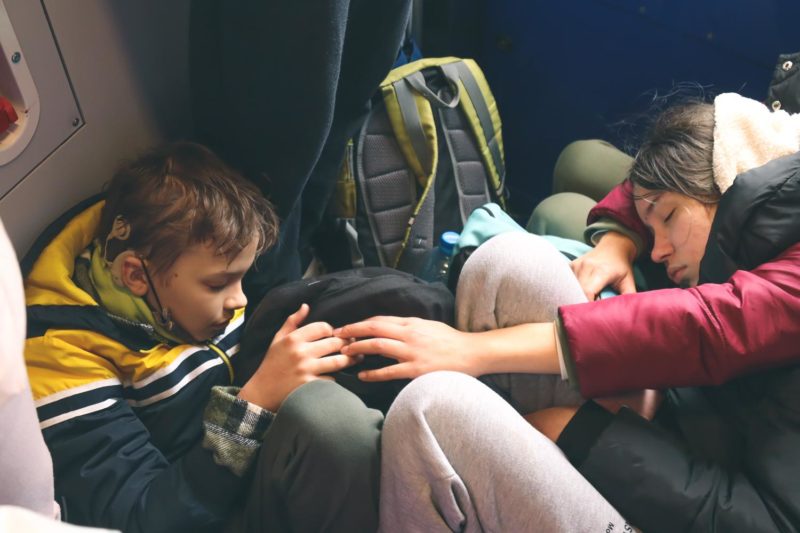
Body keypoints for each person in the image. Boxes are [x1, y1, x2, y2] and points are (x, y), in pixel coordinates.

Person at [336, 93, 800, 531]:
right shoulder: (771, 203)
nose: (658, 252)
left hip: (695, 508)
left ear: (727, 184)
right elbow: (701, 169)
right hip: (694, 437)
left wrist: (583, 434)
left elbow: (709, 326)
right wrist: (622, 237)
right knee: (510, 266)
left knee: (433, 409)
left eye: (670, 218)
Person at [23, 142, 383, 533]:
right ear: (136, 276)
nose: (240, 299)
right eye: (218, 285)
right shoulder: (59, 359)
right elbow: (142, 517)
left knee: (394, 318)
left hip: (247, 471)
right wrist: (255, 402)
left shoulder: (191, 260)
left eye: (243, 278)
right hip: (196, 510)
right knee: (332, 425)